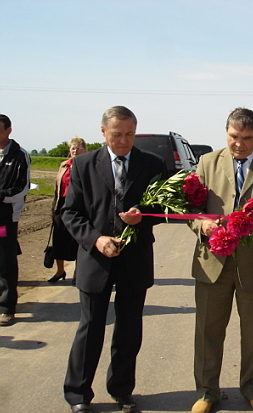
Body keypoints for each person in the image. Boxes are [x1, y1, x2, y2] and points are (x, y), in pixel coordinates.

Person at [61, 106, 167, 413]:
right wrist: (96, 239)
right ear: (103, 132)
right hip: (96, 259)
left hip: (134, 259)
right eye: (117, 134)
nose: (124, 140)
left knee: (129, 329)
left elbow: (164, 208)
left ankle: (122, 390)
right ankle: (78, 394)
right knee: (90, 327)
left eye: (130, 134)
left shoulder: (153, 163)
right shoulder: (83, 164)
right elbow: (70, 212)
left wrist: (143, 218)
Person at [188, 108, 253, 413]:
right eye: (234, 136)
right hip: (212, 263)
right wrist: (202, 225)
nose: (239, 144)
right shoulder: (207, 163)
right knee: (208, 331)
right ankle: (207, 392)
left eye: (247, 138)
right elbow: (189, 208)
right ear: (226, 132)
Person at [0, 114, 30, 327]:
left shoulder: (19, 155)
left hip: (4, 216)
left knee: (5, 259)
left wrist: (1, 195)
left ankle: (6, 306)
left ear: (9, 130)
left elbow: (22, 188)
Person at [48, 136, 87, 284]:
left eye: (79, 148)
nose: (75, 151)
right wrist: (53, 209)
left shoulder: (86, 166)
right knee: (59, 239)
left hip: (79, 206)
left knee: (77, 240)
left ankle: (78, 273)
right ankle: (60, 270)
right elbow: (57, 189)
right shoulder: (64, 165)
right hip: (62, 204)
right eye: (73, 148)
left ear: (85, 150)